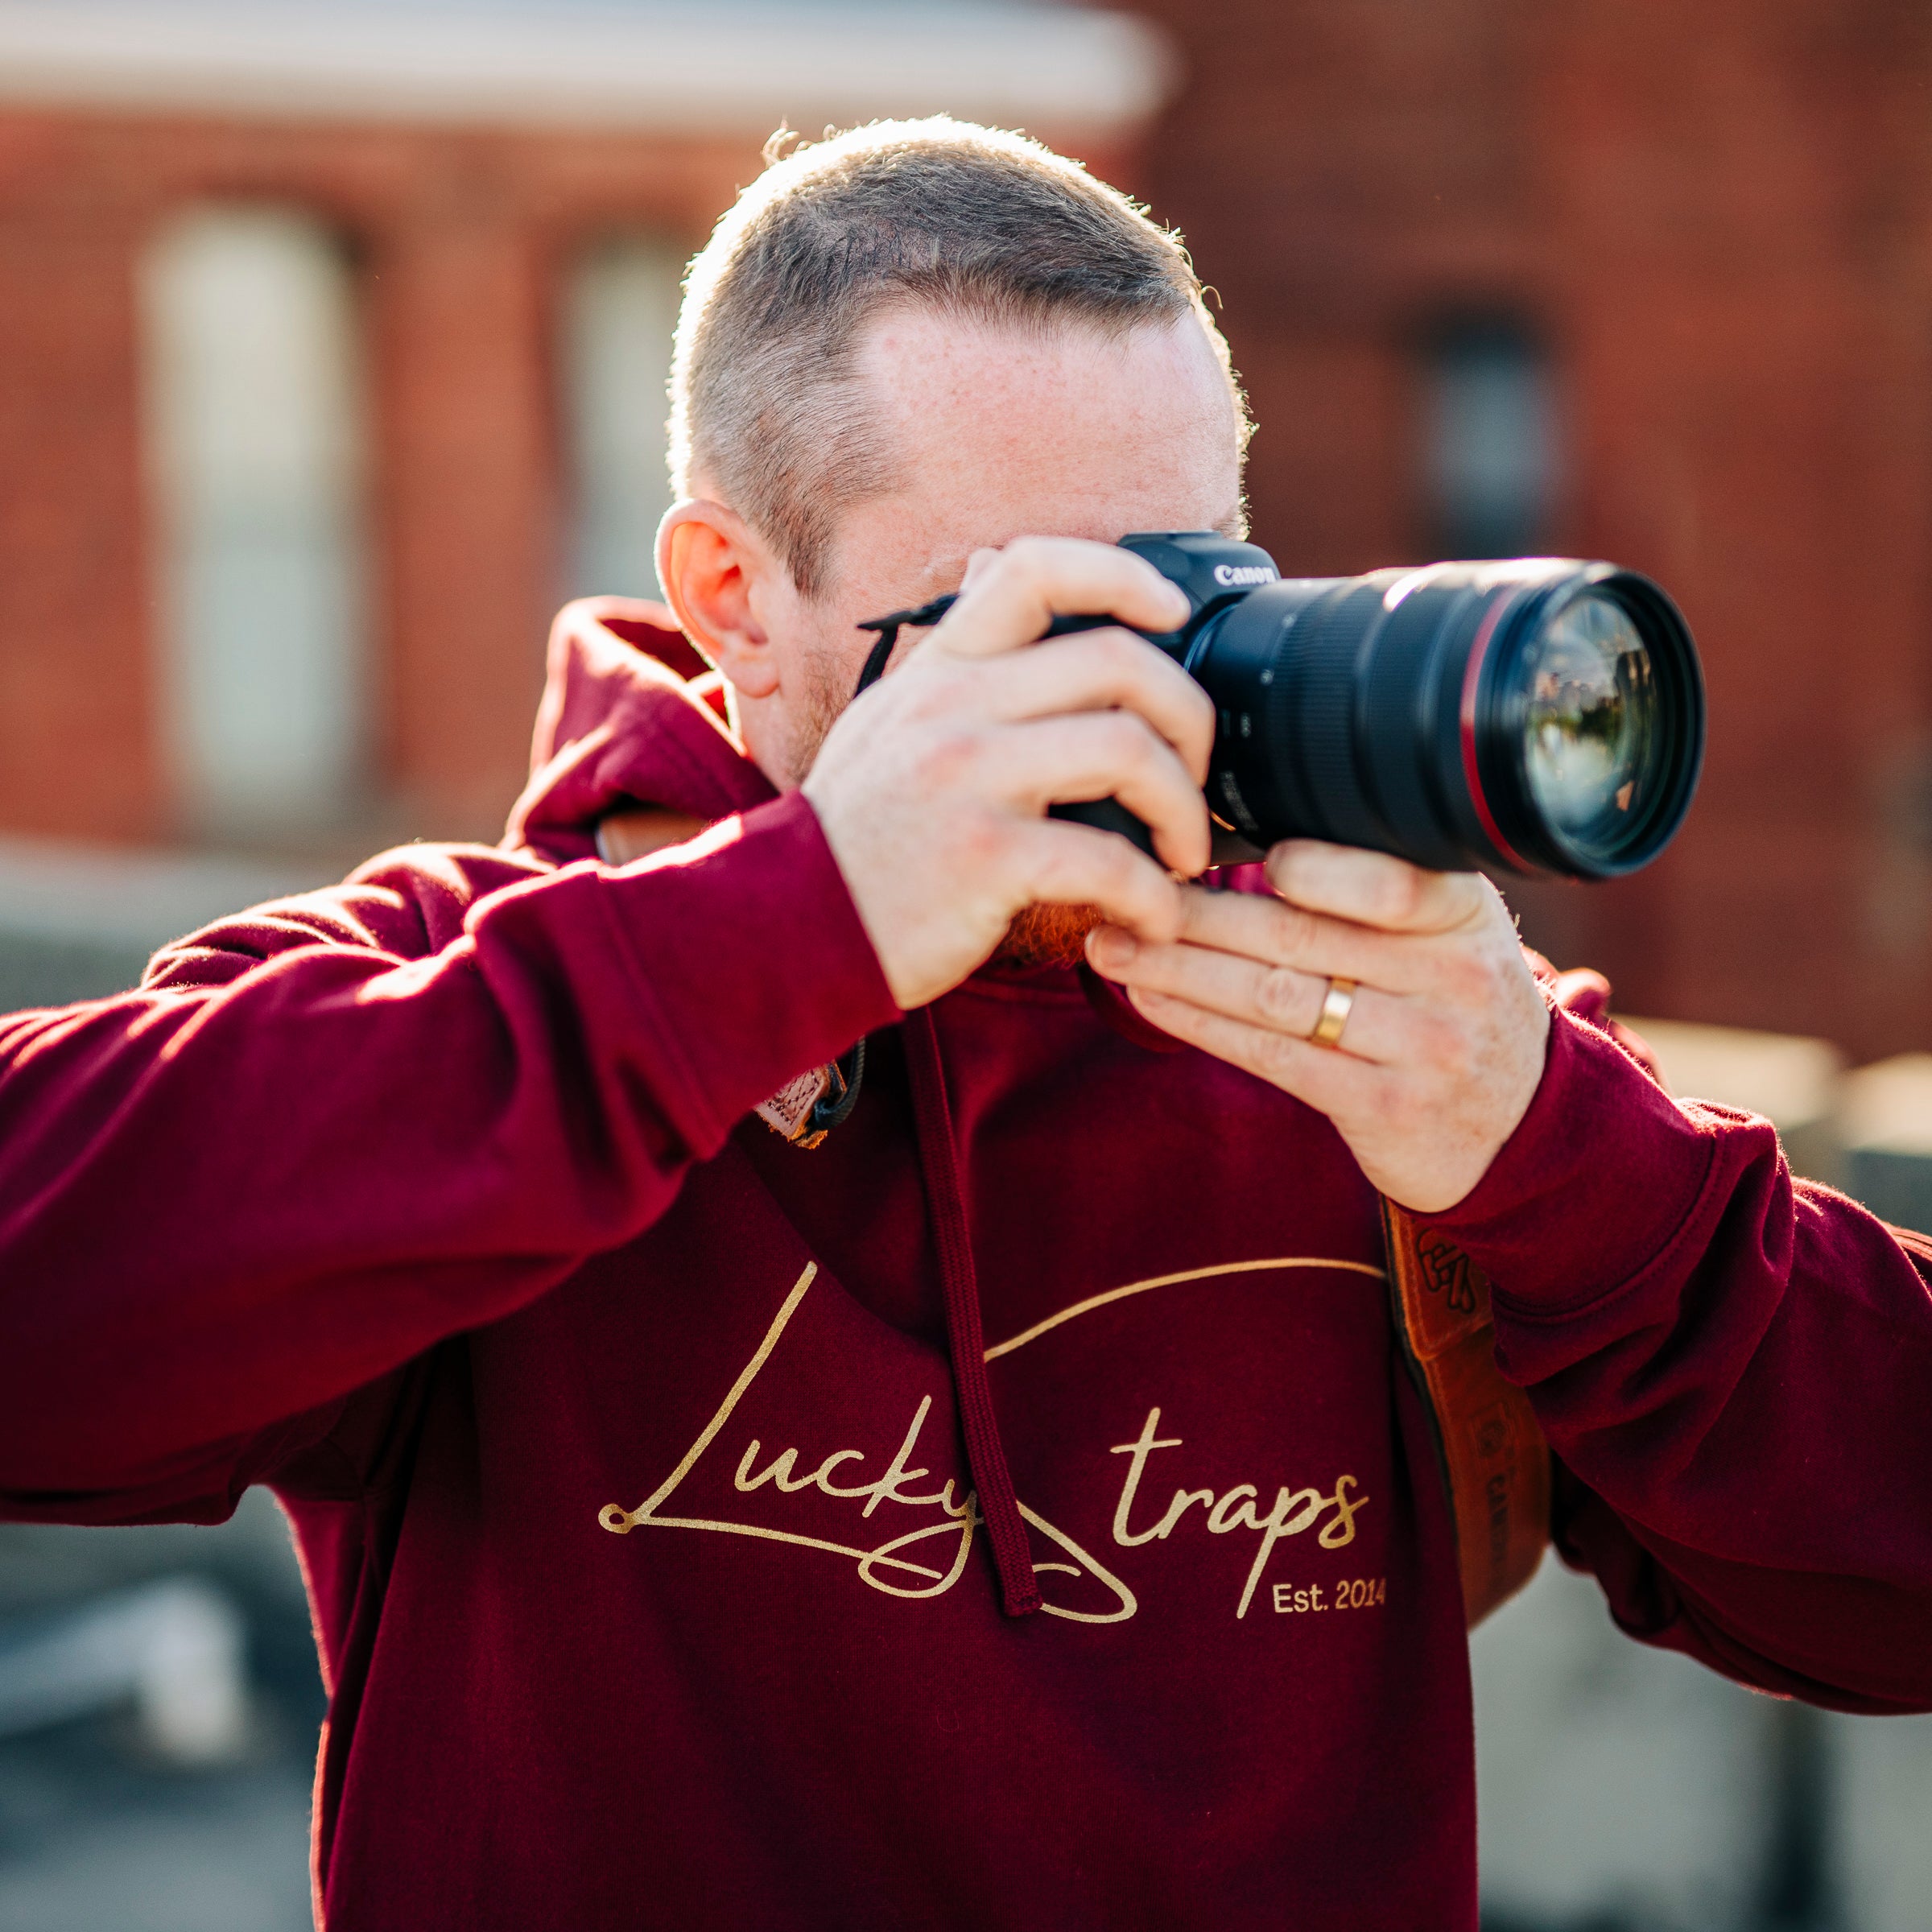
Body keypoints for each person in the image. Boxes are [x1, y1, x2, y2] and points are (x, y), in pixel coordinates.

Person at [2, 118, 1929, 1930]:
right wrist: (782, 938)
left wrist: (1555, 1158)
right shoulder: (504, 988)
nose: (1122, 710)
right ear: (735, 597)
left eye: (1187, 605)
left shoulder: (1367, 1029)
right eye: (1023, 634)